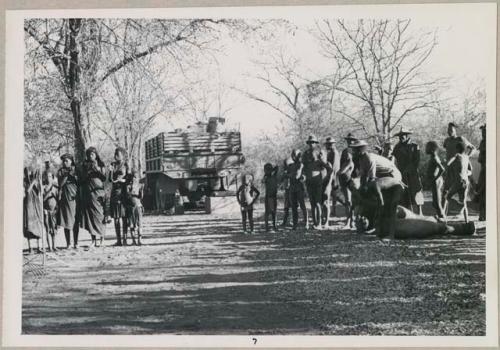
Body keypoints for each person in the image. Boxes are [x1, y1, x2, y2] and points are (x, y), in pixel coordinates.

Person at [350, 139, 403, 238]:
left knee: (384, 204)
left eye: (355, 150)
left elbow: (371, 178)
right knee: (369, 198)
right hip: (381, 179)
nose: (353, 152)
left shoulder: (369, 158)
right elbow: (363, 177)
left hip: (392, 176)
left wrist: (365, 192)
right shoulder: (361, 159)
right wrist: (361, 191)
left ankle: (387, 231)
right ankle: (372, 226)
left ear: (361, 150)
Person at [392, 127, 423, 214]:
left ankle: (420, 212)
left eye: (403, 136)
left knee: (417, 191)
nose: (401, 137)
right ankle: (407, 212)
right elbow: (393, 159)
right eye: (400, 136)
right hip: (401, 173)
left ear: (407, 135)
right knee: (404, 193)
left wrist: (409, 169)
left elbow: (416, 161)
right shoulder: (397, 147)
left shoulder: (414, 146)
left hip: (413, 174)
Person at [80, 147, 107, 247]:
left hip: (99, 192)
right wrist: (87, 172)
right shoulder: (85, 165)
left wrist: (98, 170)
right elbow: (82, 179)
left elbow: (104, 178)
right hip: (89, 193)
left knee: (100, 215)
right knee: (90, 216)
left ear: (96, 155)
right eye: (89, 155)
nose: (90, 156)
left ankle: (102, 238)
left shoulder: (101, 164)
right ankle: (93, 239)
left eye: (92, 154)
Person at [303, 135, 329, 229]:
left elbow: (328, 168)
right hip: (309, 181)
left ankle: (319, 223)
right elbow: (303, 167)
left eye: (313, 142)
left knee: (318, 203)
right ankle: (314, 223)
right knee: (312, 203)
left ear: (316, 143)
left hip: (318, 181)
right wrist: (303, 176)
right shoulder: (305, 154)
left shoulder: (320, 154)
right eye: (310, 143)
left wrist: (326, 179)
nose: (311, 144)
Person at [443, 142, 471, 223]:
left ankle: (443, 218)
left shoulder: (457, 155)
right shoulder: (466, 157)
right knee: (464, 203)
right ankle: (467, 221)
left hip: (459, 181)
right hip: (466, 182)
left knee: (446, 197)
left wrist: (446, 161)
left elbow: (448, 164)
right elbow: (470, 170)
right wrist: (465, 173)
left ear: (458, 149)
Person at [57, 153, 79, 249]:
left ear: (71, 161)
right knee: (66, 220)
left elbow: (80, 182)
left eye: (67, 161)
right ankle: (68, 243)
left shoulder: (76, 170)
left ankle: (76, 242)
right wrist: (67, 175)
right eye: (64, 161)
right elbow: (60, 184)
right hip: (65, 197)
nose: (65, 163)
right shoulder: (61, 171)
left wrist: (74, 175)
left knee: (75, 220)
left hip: (75, 197)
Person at [108, 147, 130, 246]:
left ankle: (125, 239)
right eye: (116, 154)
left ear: (123, 155)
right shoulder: (112, 165)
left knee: (124, 217)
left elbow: (129, 178)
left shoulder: (126, 164)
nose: (117, 156)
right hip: (115, 192)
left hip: (123, 192)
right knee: (116, 217)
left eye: (119, 154)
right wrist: (110, 171)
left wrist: (123, 181)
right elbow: (109, 180)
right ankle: (118, 240)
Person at [338, 133, 358, 228]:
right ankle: (350, 221)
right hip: (348, 177)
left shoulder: (352, 151)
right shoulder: (347, 151)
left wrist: (341, 171)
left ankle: (351, 221)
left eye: (352, 140)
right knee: (349, 200)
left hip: (350, 177)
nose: (350, 142)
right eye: (348, 140)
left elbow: (350, 163)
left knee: (350, 200)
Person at [23, 167, 44, 253]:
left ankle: (39, 247)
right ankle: (30, 247)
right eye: (27, 173)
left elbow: (41, 192)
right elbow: (27, 191)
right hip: (29, 204)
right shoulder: (25, 181)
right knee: (29, 225)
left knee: (38, 224)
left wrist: (39, 181)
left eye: (30, 173)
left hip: (36, 204)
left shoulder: (35, 181)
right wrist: (33, 182)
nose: (29, 174)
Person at [425, 141, 446, 221]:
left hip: (436, 182)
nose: (426, 149)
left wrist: (435, 178)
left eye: (427, 147)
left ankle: (442, 219)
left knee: (437, 202)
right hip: (435, 181)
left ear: (432, 149)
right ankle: (440, 217)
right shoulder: (433, 157)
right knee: (435, 202)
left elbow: (442, 169)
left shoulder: (434, 158)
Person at [289, 149, 309, 230]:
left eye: (295, 154)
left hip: (299, 187)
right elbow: (288, 175)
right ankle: (295, 224)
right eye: (293, 154)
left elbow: (297, 176)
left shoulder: (301, 165)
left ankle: (306, 223)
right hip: (292, 187)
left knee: (302, 205)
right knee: (293, 207)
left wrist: (289, 174)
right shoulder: (291, 165)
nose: (294, 156)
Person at [322, 136, 340, 228]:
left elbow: (333, 167)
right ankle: (333, 211)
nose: (327, 146)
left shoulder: (334, 153)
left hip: (333, 176)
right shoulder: (330, 153)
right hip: (331, 175)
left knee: (331, 194)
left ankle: (332, 211)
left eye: (329, 144)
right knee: (333, 195)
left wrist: (331, 177)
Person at [126, 170, 144, 245]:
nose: (134, 178)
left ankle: (139, 239)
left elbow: (141, 197)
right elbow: (128, 195)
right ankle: (133, 240)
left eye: (136, 177)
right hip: (130, 206)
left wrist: (141, 190)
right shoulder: (128, 186)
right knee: (131, 224)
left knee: (139, 223)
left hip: (138, 205)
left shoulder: (140, 185)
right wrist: (132, 190)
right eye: (133, 177)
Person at [43, 172, 58, 251]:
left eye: (50, 176)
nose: (48, 178)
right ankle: (49, 247)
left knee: (54, 229)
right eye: (47, 176)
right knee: (47, 229)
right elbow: (43, 199)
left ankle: (54, 245)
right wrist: (49, 193)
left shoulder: (55, 188)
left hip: (53, 211)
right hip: (46, 211)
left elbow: (58, 199)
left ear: (52, 178)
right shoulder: (44, 187)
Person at [263, 163, 279, 232]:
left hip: (274, 196)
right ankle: (267, 227)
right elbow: (263, 181)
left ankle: (274, 226)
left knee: (274, 212)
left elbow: (277, 167)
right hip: (268, 196)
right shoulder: (266, 177)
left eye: (269, 169)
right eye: (267, 169)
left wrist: (272, 169)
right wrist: (268, 172)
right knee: (267, 212)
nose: (268, 171)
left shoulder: (274, 176)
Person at [280, 158, 293, 227]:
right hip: (287, 191)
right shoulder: (285, 173)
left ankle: (291, 221)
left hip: (292, 190)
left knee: (292, 206)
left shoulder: (292, 172)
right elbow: (281, 179)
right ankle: (285, 221)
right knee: (286, 206)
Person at [477, 124, 486, 221]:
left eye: (485, 132)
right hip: (483, 168)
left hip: (488, 169)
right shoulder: (482, 142)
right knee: (481, 191)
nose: (483, 134)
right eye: (482, 132)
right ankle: (482, 214)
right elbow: (480, 158)